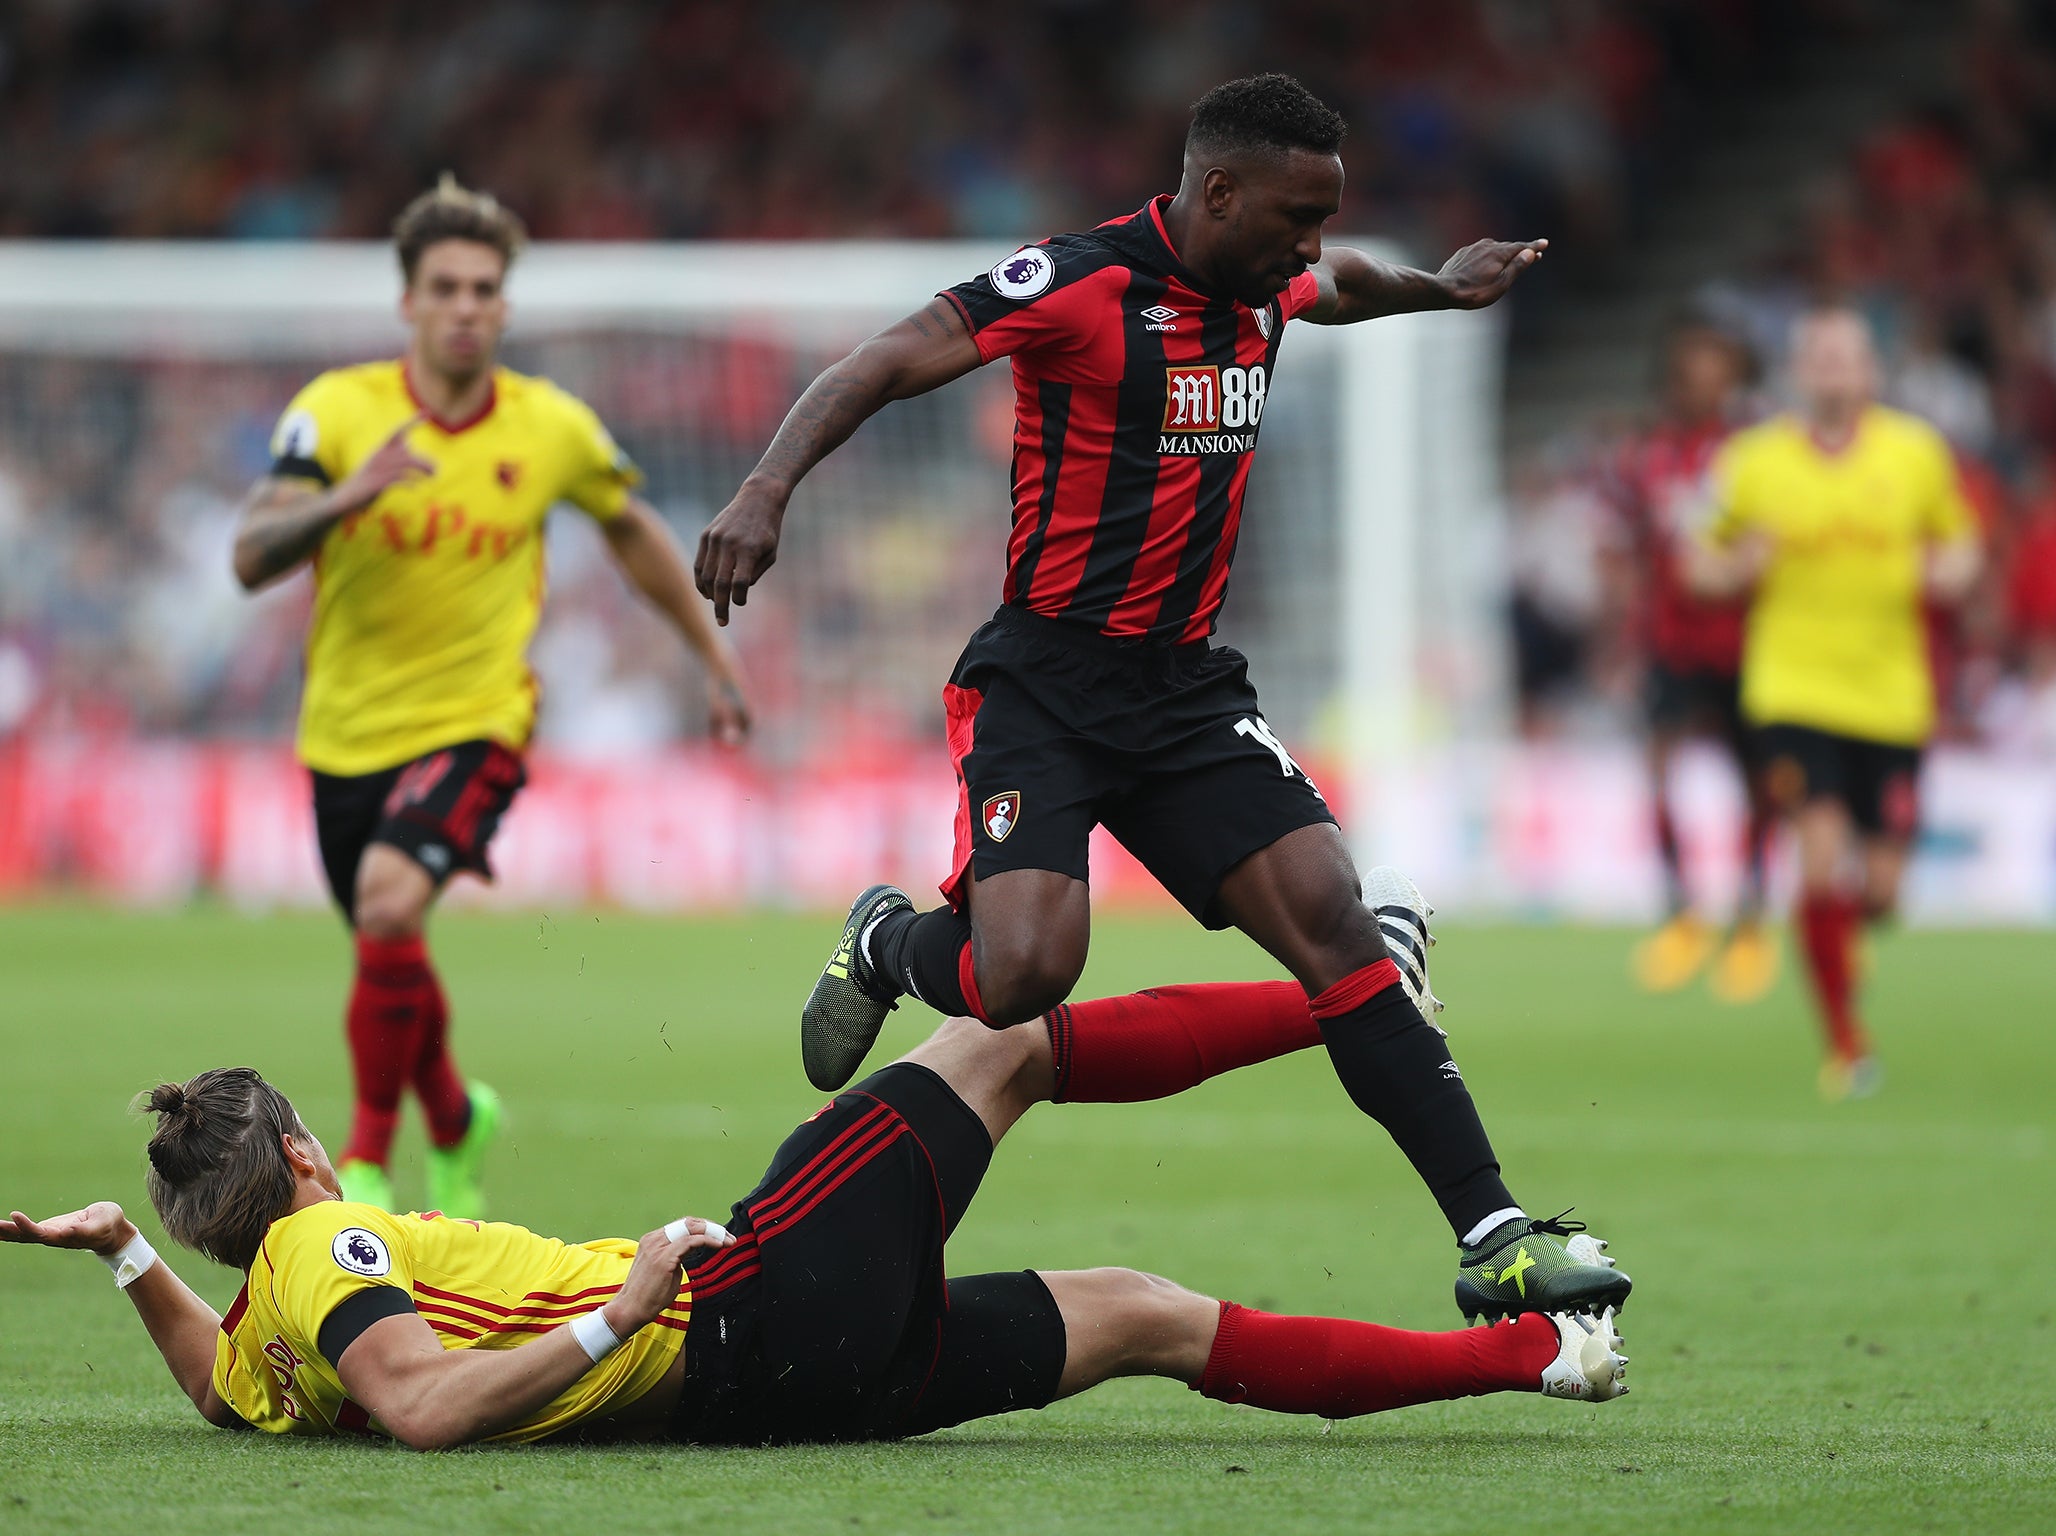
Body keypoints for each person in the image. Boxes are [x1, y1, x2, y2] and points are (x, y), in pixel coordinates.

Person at [692, 73, 1625, 1321]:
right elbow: (884, 357)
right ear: (1216, 192)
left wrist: (1441, 291)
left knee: (1334, 921)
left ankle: (1495, 1235)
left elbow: (1346, 284)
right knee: (1023, 975)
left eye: (1320, 217)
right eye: (1294, 216)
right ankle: (885, 943)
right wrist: (764, 492)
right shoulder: (1076, 285)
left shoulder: (1271, 280)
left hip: (1185, 687)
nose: (1307, 245)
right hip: (1045, 679)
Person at [1, 963, 1629, 1450]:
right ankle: (1359, 991)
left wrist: (132, 1259)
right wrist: (615, 1309)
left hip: (806, 1390)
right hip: (747, 1303)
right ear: (298, 1157)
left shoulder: (270, 1332)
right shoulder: (327, 1247)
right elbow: (422, 1409)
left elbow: (227, 1386)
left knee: (1140, 1311)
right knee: (996, 1040)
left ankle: (1540, 1358)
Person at [231, 176, 751, 1217]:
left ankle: (368, 1163)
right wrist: (352, 493)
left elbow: (632, 532)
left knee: (388, 901)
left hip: (480, 722)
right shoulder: (337, 412)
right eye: (447, 287)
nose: (466, 306)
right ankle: (459, 1118)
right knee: (390, 941)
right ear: (408, 303)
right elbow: (250, 554)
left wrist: (714, 660)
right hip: (342, 733)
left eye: (484, 289)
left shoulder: (549, 426)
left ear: (505, 307)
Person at [1689, 308, 1981, 1099]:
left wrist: (1950, 569)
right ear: (1797, 370)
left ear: (1870, 371)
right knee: (1818, 857)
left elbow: (1960, 542)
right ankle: (1848, 1045)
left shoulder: (1916, 454)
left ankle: (1840, 938)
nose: (1831, 370)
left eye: (1845, 357)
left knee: (1881, 892)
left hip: (1892, 697)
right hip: (1792, 690)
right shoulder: (1752, 460)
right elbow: (1697, 560)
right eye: (1817, 356)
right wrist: (1735, 565)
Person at [1605, 320, 1779, 1002]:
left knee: (1759, 782)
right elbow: (1631, 548)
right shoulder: (1648, 454)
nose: (1703, 378)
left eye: (1716, 365)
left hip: (1744, 642)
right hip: (1671, 640)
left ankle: (1750, 922)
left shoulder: (1755, 453)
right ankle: (1681, 913)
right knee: (1658, 768)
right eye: (1692, 365)